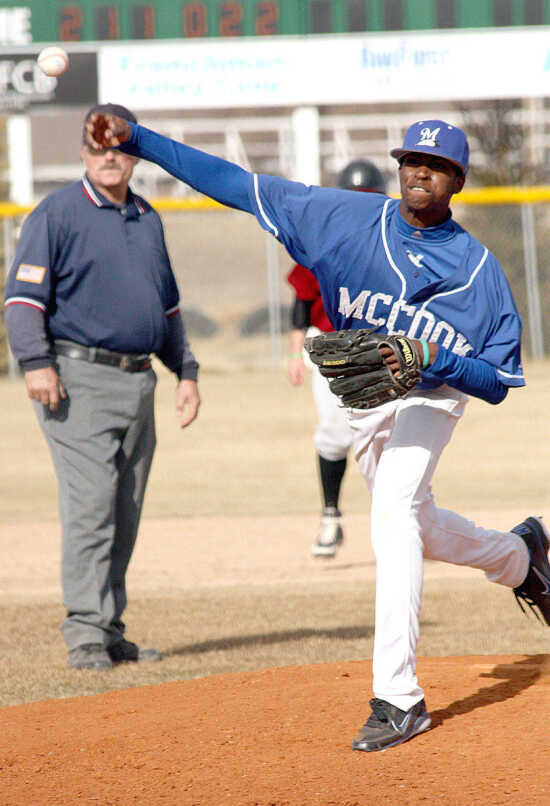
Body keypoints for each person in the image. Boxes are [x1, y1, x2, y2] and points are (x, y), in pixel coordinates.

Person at [85, 112, 550, 752]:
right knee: (418, 526)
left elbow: (496, 383)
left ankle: (399, 697)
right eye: (413, 159)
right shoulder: (342, 220)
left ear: (458, 180)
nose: (422, 170)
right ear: (399, 166)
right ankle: (523, 558)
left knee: (391, 514)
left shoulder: (478, 273)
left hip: (431, 398)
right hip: (364, 399)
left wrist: (432, 360)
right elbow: (232, 181)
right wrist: (139, 141)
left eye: (438, 165)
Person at [4, 103, 201, 671]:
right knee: (91, 506)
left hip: (138, 381)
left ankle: (111, 630)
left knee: (125, 508)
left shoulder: (146, 215)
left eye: (119, 146)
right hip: (77, 379)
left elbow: (165, 307)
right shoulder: (57, 213)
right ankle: (86, 634)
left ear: (133, 154)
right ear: (82, 154)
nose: (109, 156)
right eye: (97, 147)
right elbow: (21, 301)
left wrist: (184, 371)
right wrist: (36, 362)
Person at [286, 161, 387, 558]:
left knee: (384, 435)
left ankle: (397, 520)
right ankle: (331, 517)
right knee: (333, 433)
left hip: (381, 347)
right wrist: (295, 351)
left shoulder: (392, 240)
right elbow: (302, 299)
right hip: (328, 347)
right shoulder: (322, 239)